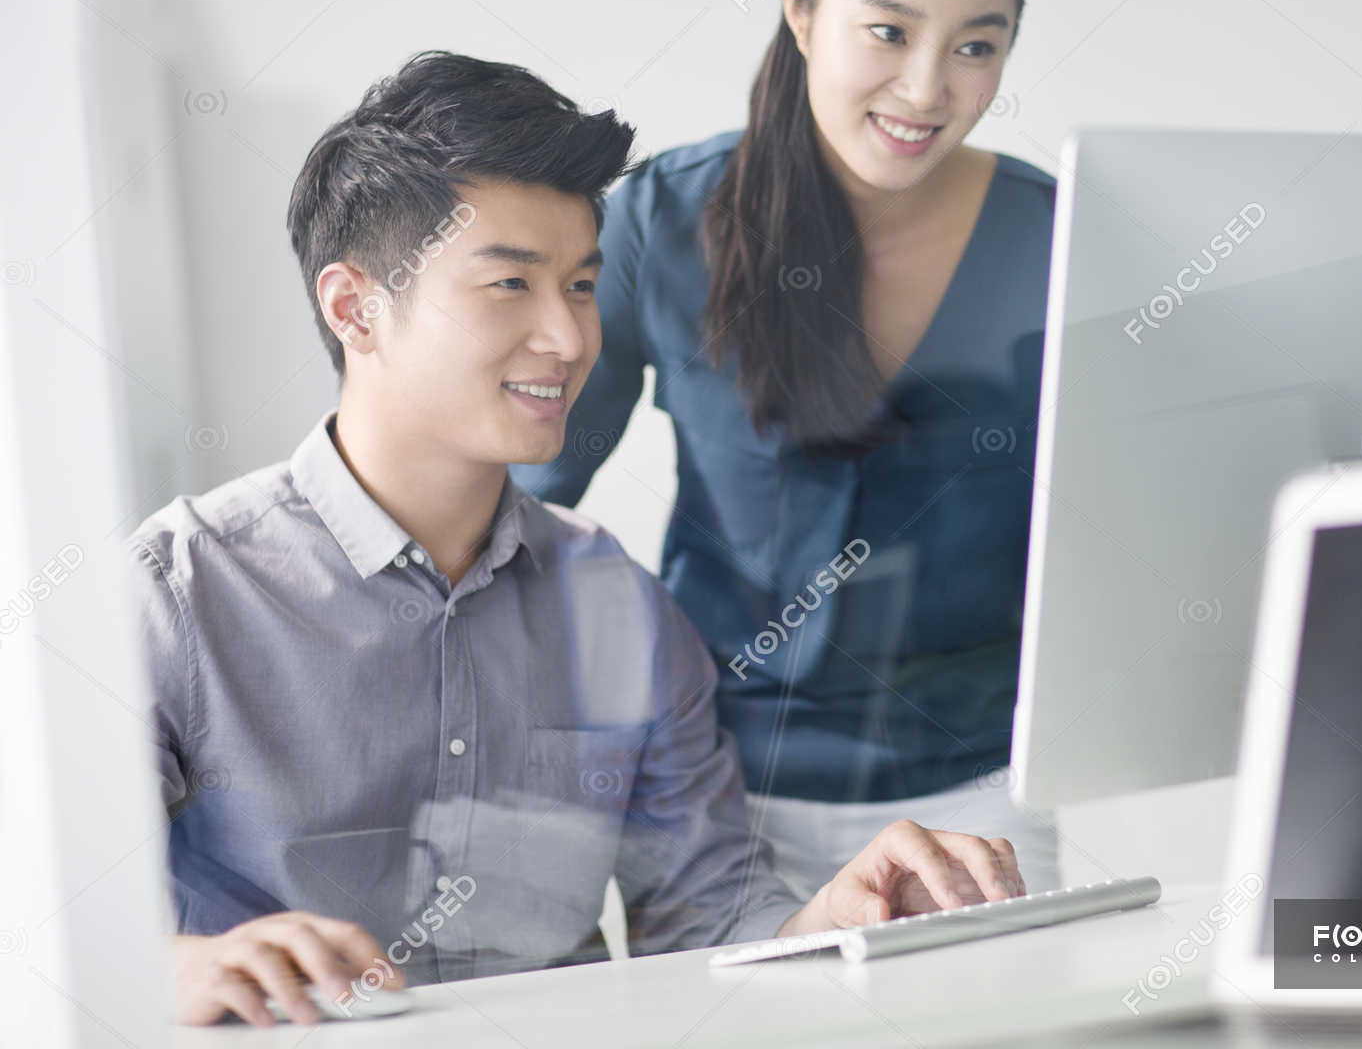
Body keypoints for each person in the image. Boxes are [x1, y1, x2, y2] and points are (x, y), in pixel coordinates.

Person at [128, 51, 1025, 1027]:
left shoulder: (612, 604)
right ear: (355, 309)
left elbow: (702, 917)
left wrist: (839, 911)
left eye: (585, 286)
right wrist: (170, 966)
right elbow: (41, 909)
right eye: (511, 284)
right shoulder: (181, 592)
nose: (567, 337)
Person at [511, 0, 1059, 898]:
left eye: (976, 46)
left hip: (987, 794)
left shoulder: (1059, 236)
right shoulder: (659, 223)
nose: (926, 88)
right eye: (889, 31)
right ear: (801, 12)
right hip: (723, 795)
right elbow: (523, 500)